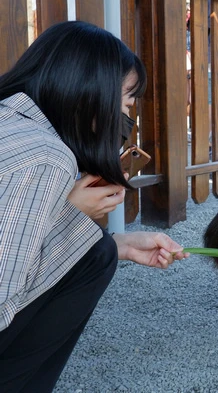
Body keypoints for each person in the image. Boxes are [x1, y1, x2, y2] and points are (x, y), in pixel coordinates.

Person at [0, 21, 189, 393]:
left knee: (101, 247)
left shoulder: (11, 121)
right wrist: (74, 218)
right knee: (95, 256)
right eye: (126, 103)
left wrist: (120, 243)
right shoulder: (46, 159)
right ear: (89, 94)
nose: (127, 119)